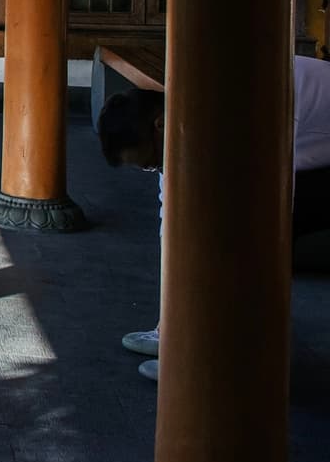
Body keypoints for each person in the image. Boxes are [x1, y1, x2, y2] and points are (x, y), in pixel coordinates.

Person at [99, 54, 330, 380]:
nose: (157, 169)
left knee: (246, 236)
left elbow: (260, 213)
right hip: (302, 153)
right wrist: (169, 318)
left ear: (160, 124)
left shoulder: (249, 104)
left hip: (306, 151)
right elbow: (173, 214)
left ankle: (227, 357)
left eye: (150, 162)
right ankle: (190, 337)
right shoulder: (182, 114)